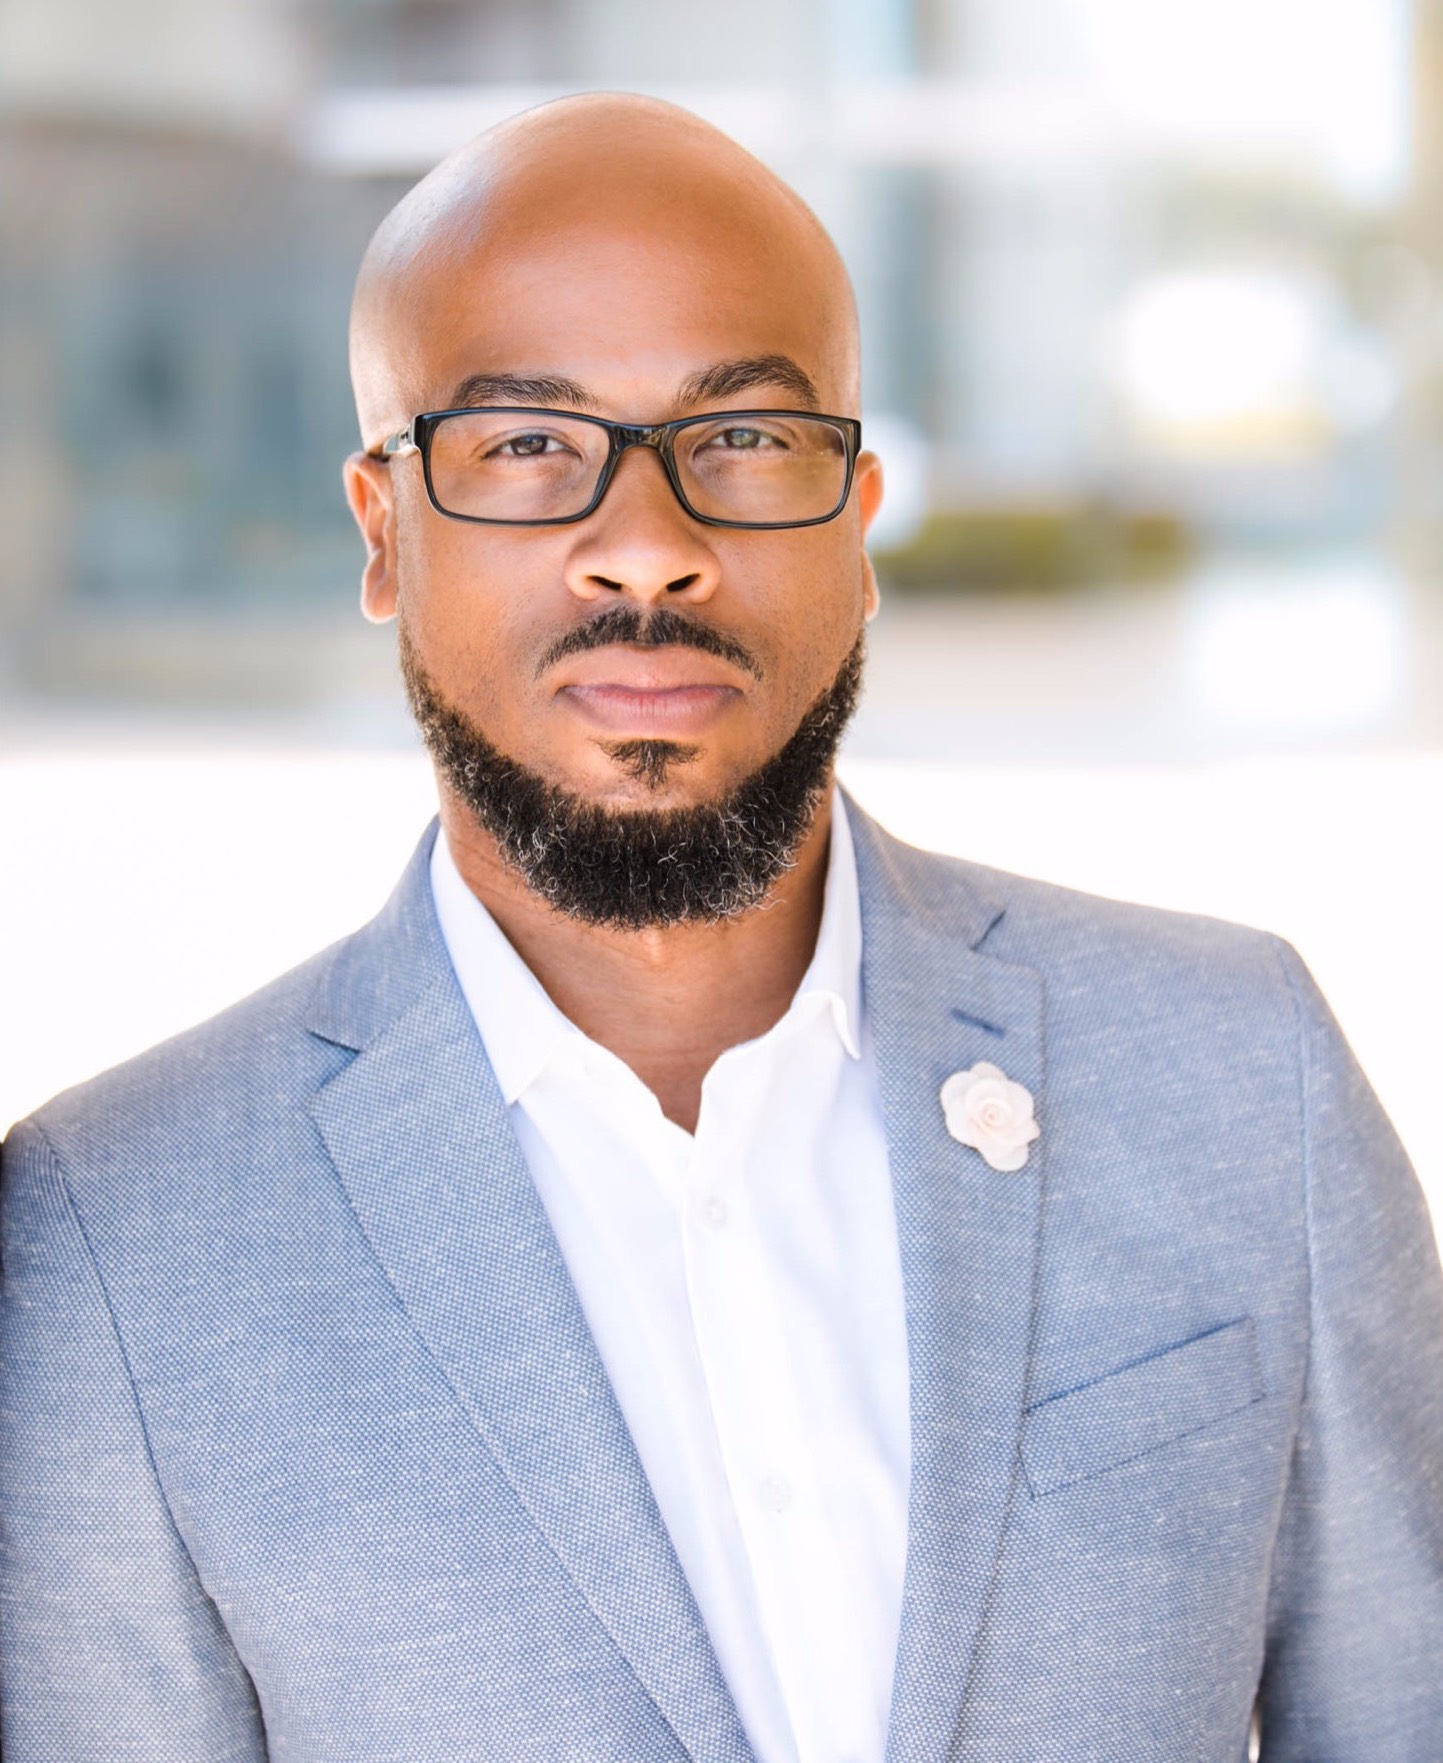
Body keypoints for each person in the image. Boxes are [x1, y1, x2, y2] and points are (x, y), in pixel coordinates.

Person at [2, 92, 1440, 1763]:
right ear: (384, 531)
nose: (647, 551)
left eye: (745, 439)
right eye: (525, 446)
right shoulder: (115, 1239)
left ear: (860, 519)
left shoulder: (1239, 1072)